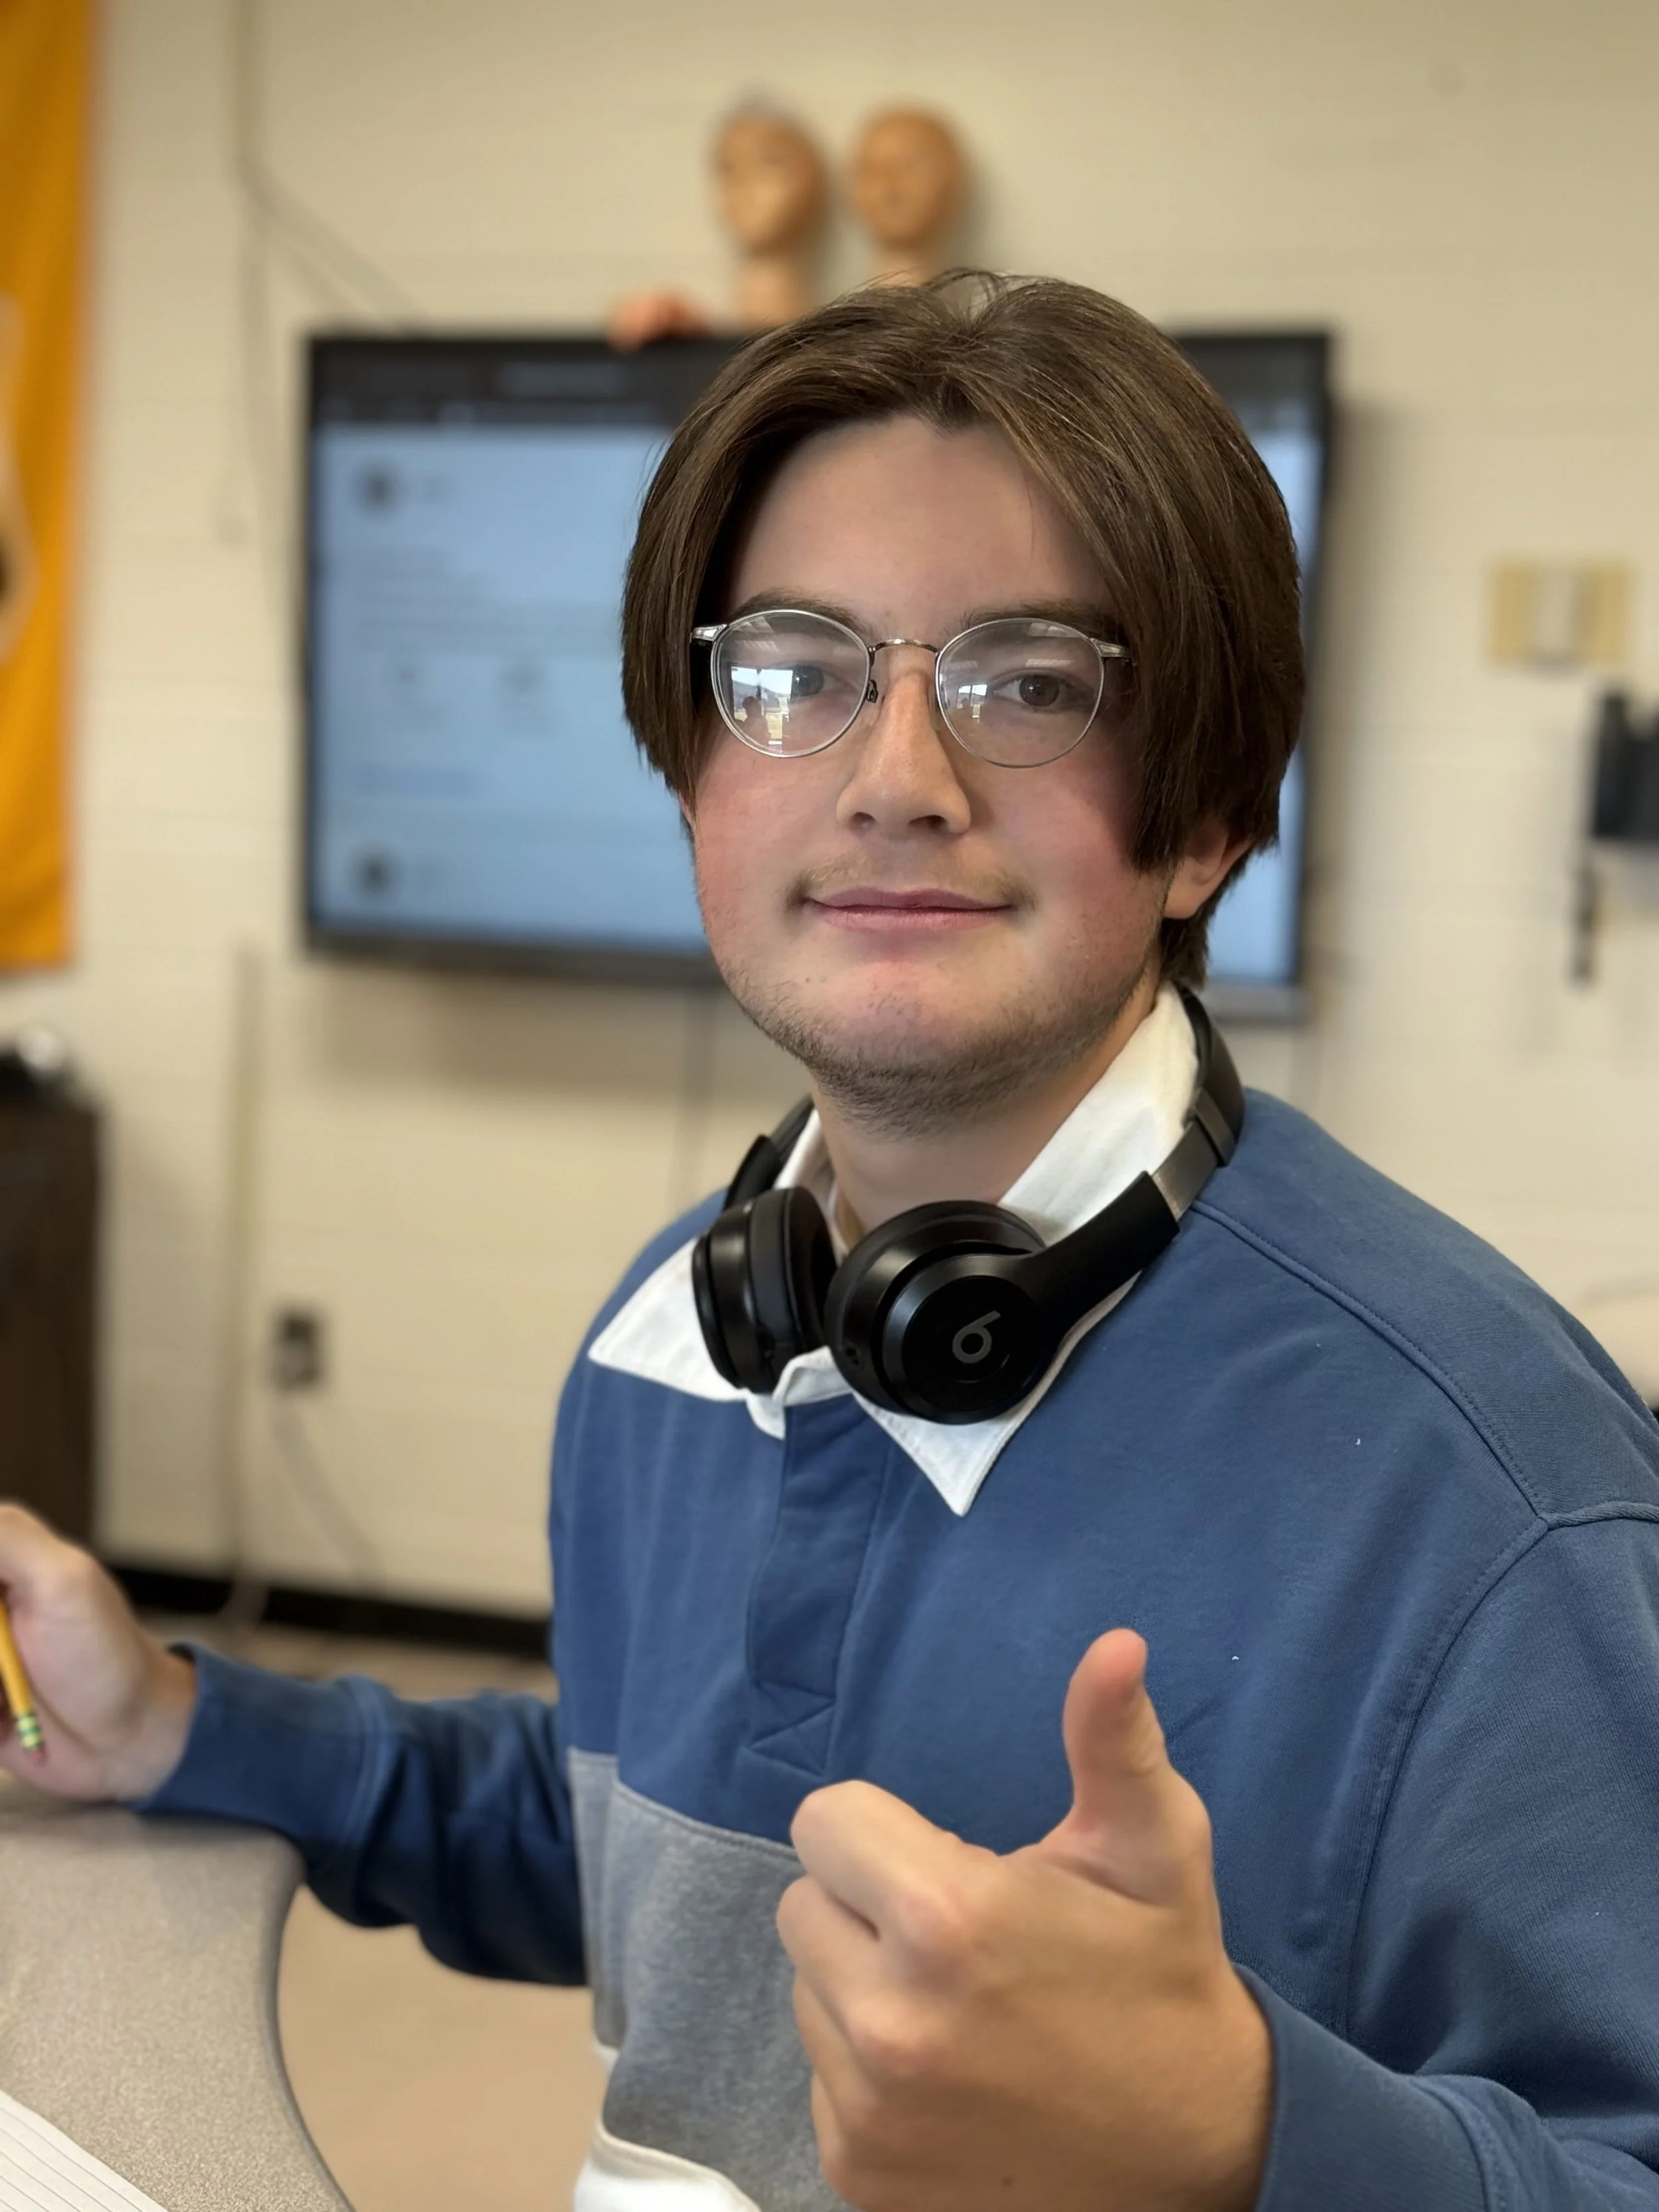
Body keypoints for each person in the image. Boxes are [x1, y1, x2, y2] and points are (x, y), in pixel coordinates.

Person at [4, 273, 1659, 2212]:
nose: (893, 775)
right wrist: (188, 1718)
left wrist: (1243, 2138)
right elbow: (644, 1861)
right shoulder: (677, 1328)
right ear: (693, 766)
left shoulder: (1490, 1502)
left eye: (1028, 680)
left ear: (1204, 818)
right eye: (790, 671)